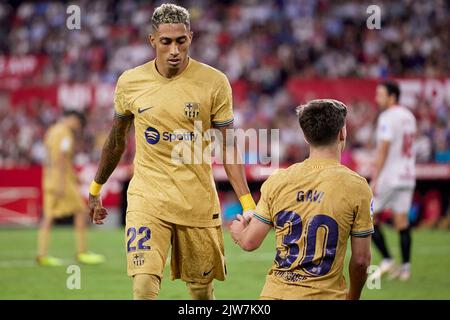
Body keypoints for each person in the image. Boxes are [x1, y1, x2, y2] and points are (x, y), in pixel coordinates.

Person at [87, 3, 255, 300]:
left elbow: (228, 146)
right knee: (143, 287)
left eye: (181, 40)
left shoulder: (215, 83)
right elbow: (116, 141)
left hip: (197, 200)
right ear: (153, 40)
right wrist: (95, 187)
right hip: (147, 198)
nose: (174, 49)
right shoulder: (130, 82)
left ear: (191, 37)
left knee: (201, 292)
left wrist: (247, 203)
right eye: (166, 42)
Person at [230, 99, 373, 300]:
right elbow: (360, 260)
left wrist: (238, 233)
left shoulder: (278, 180)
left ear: (305, 137)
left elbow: (250, 242)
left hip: (274, 295)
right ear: (342, 133)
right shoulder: (357, 186)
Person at [37, 110, 104, 266]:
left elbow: (50, 158)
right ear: (73, 120)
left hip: (48, 178)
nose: (78, 127)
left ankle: (42, 254)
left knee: (48, 216)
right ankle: (82, 252)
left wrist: (73, 177)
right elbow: (62, 157)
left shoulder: (52, 131)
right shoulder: (65, 133)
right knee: (81, 211)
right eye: (79, 124)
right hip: (62, 180)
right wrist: (63, 181)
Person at [370, 81, 416, 281]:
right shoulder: (409, 116)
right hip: (407, 174)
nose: (377, 98)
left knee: (366, 217)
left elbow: (384, 148)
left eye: (380, 94)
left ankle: (388, 259)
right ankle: (405, 268)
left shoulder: (387, 117)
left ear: (392, 96)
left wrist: (375, 177)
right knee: (402, 222)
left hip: (390, 175)